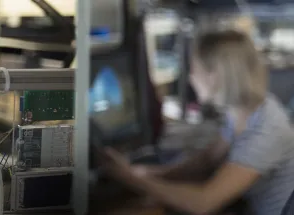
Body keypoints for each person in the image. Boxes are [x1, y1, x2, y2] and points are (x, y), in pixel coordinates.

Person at [100, 30, 294, 215]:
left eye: (194, 69)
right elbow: (208, 159)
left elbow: (202, 203)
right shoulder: (243, 110)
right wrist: (154, 174)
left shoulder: (266, 130)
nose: (191, 77)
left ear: (215, 74)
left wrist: (129, 178)